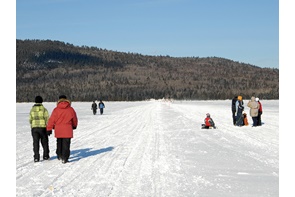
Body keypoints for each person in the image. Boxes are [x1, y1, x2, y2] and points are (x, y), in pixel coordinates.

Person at [46, 95, 78, 164]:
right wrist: (74, 125)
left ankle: (59, 155)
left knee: (59, 142)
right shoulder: (70, 109)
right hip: (67, 129)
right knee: (66, 144)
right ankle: (65, 157)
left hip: (58, 129)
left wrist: (49, 128)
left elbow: (51, 120)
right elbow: (74, 119)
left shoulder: (56, 110)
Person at [29, 96, 50, 162]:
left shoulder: (32, 109)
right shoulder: (44, 109)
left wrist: (32, 125)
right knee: (44, 142)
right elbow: (47, 119)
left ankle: (36, 157)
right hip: (42, 128)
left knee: (35, 142)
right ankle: (46, 155)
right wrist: (48, 127)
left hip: (34, 128)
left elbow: (30, 119)